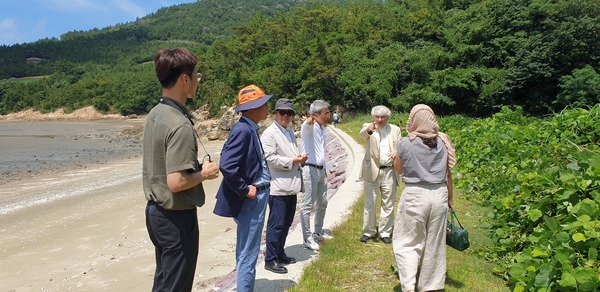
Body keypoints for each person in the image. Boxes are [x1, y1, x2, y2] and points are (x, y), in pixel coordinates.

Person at [143, 47, 220, 292]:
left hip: (155, 213)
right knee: (177, 286)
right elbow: (176, 182)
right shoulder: (179, 124)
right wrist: (204, 174)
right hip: (175, 217)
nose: (198, 80)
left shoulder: (155, 114)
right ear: (185, 79)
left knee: (164, 281)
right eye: (196, 75)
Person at [213, 84, 272, 292]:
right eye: (264, 104)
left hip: (256, 196)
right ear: (254, 108)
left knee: (247, 250)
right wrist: (245, 190)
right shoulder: (243, 130)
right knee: (248, 252)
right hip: (252, 199)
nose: (267, 108)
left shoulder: (248, 128)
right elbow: (227, 165)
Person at [392, 104, 456, 292]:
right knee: (435, 243)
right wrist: (450, 199)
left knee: (407, 241)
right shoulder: (444, 141)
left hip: (415, 194)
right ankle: (431, 286)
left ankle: (409, 286)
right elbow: (448, 174)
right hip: (439, 194)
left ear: (413, 121)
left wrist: (397, 156)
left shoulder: (405, 143)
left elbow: (400, 169)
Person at [261, 98, 309, 274]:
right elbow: (270, 158)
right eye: (283, 112)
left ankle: (279, 253)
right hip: (278, 187)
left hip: (291, 185)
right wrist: (293, 160)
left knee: (287, 222)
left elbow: (290, 154)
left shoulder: (288, 131)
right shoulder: (269, 134)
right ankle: (270, 258)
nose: (286, 116)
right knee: (277, 223)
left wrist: (300, 159)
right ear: (275, 113)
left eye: (289, 113)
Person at [359, 105, 401, 244]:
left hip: (389, 170)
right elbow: (363, 134)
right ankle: (369, 231)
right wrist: (369, 131)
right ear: (373, 117)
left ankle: (385, 232)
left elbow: (401, 147)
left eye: (382, 117)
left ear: (387, 117)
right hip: (372, 170)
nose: (379, 119)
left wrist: (397, 153)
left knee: (388, 203)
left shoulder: (395, 129)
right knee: (370, 202)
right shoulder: (368, 127)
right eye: (377, 116)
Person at [299, 99, 332, 251]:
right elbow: (306, 125)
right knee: (307, 205)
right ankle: (307, 238)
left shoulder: (323, 128)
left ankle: (318, 231)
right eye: (326, 113)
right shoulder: (309, 128)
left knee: (323, 201)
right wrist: (309, 121)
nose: (329, 115)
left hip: (321, 169)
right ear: (317, 115)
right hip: (309, 169)